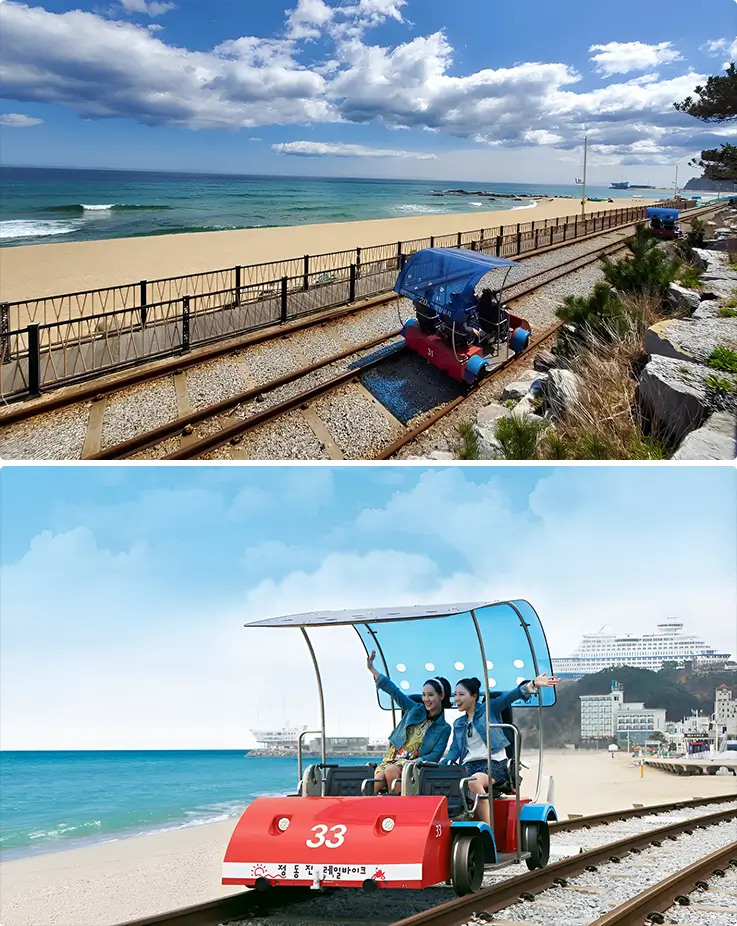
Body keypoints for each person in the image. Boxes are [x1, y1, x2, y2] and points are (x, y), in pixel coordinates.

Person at [444, 673, 559, 824]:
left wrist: (533, 684)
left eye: (461, 694)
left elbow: (510, 696)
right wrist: (441, 765)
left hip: (493, 763)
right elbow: (454, 750)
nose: (456, 699)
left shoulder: (489, 709)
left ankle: (487, 832)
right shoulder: (459, 723)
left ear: (473, 696)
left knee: (472, 783)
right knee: (443, 782)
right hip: (468, 766)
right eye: (455, 695)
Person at [366, 649, 452, 795]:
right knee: (377, 779)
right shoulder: (414, 709)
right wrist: (372, 669)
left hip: (414, 765)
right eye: (424, 695)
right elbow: (394, 691)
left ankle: (399, 807)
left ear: (442, 695)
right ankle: (364, 813)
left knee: (391, 771)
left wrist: (417, 761)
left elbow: (436, 755)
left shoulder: (444, 727)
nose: (426, 699)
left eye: (430, 695)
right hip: (393, 758)